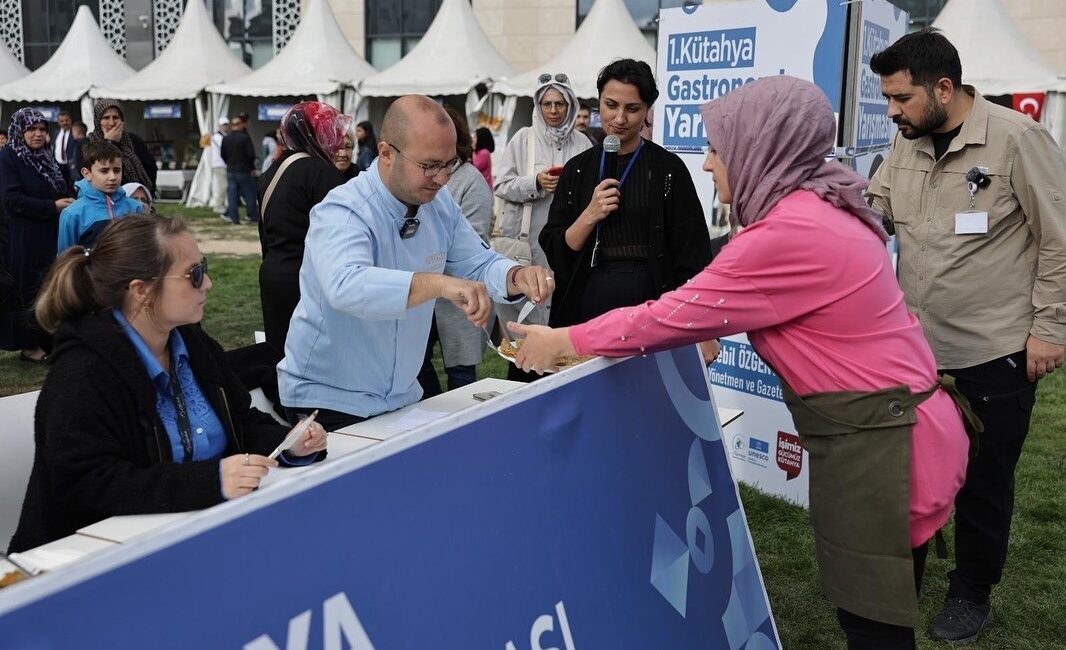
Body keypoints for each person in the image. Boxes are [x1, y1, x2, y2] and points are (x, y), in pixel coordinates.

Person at [512, 76, 976, 650]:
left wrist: (564, 342)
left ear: (763, 149)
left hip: (886, 448)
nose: (707, 164)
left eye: (717, 148)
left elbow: (667, 317)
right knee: (884, 609)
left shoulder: (792, 231)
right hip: (902, 430)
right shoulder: (823, 202)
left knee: (874, 628)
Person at [866, 28, 1066, 644]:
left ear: (943, 88)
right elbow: (873, 213)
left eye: (900, 99)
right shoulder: (905, 144)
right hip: (916, 355)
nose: (892, 112)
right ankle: (910, 579)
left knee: (984, 481)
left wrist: (1050, 330)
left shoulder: (1018, 140)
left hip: (995, 353)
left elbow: (1059, 238)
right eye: (888, 100)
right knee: (912, 475)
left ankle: (972, 590)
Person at [7, 215, 328, 553]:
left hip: (193, 541)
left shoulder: (193, 343)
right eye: (194, 275)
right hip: (85, 569)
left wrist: (289, 443)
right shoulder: (82, 373)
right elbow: (88, 485)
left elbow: (240, 420)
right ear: (141, 291)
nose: (208, 284)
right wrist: (210, 482)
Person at [277, 95, 555, 431]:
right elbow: (346, 286)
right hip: (329, 399)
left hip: (401, 395)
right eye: (429, 165)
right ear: (386, 153)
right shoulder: (343, 209)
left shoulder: (440, 207)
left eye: (449, 163)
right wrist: (438, 284)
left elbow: (476, 261)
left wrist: (515, 274)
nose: (441, 178)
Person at [539, 59, 710, 328]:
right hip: (586, 305)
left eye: (632, 109)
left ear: (647, 110)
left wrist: (695, 323)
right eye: (611, 105)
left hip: (651, 307)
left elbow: (693, 254)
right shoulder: (578, 169)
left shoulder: (667, 169)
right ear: (598, 102)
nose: (619, 119)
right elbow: (556, 251)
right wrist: (589, 215)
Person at [494, 72, 592, 380]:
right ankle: (523, 381)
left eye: (559, 104)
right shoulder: (523, 139)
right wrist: (535, 182)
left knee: (563, 318)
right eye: (547, 104)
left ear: (570, 106)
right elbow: (501, 184)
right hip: (530, 246)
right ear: (538, 106)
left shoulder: (584, 143)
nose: (553, 110)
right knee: (527, 321)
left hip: (570, 244)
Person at [257, 101, 348, 368]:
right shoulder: (322, 172)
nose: (336, 138)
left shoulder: (271, 172)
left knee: (283, 355)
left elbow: (264, 233)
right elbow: (340, 232)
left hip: (274, 273)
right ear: (314, 133)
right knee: (316, 359)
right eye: (330, 130)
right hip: (308, 279)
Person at [417, 106, 495, 395]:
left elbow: (474, 242)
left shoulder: (472, 181)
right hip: (424, 294)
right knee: (416, 363)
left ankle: (459, 426)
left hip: (458, 296)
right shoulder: (424, 178)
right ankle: (431, 416)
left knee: (460, 371)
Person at [0, 108, 74, 362]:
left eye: (42, 129)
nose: (38, 134)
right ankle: (30, 347)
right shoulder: (9, 157)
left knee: (48, 287)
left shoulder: (44, 157)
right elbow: (12, 200)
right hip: (25, 236)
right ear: (20, 131)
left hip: (49, 233)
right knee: (29, 290)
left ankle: (48, 341)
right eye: (32, 129)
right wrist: (52, 207)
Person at [57, 140, 143, 251]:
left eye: (117, 170)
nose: (112, 177)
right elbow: (66, 260)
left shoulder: (135, 208)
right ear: (87, 173)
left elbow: (143, 252)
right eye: (104, 171)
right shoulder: (72, 214)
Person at [77, 100, 157, 196]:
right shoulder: (86, 143)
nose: (111, 123)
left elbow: (150, 168)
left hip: (133, 198)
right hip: (100, 200)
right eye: (106, 118)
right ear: (98, 121)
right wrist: (110, 143)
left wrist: (147, 194)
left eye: (115, 117)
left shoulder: (134, 140)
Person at [221, 114, 259, 224]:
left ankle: (234, 218)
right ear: (240, 125)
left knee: (232, 195)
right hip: (243, 170)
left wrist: (229, 163)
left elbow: (223, 154)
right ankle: (252, 215)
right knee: (250, 193)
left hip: (231, 170)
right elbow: (251, 154)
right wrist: (251, 166)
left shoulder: (226, 138)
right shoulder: (245, 138)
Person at [210, 117, 229, 214]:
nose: (225, 126)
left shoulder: (224, 136)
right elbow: (224, 148)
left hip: (223, 164)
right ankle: (218, 206)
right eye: (224, 125)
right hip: (219, 164)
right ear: (219, 126)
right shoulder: (217, 137)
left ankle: (221, 204)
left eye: (226, 124)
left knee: (223, 186)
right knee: (222, 186)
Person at [52, 110, 75, 182]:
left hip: (71, 166)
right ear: (58, 122)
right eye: (62, 121)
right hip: (58, 165)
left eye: (66, 120)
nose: (65, 123)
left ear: (70, 120)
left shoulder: (75, 133)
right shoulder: (55, 133)